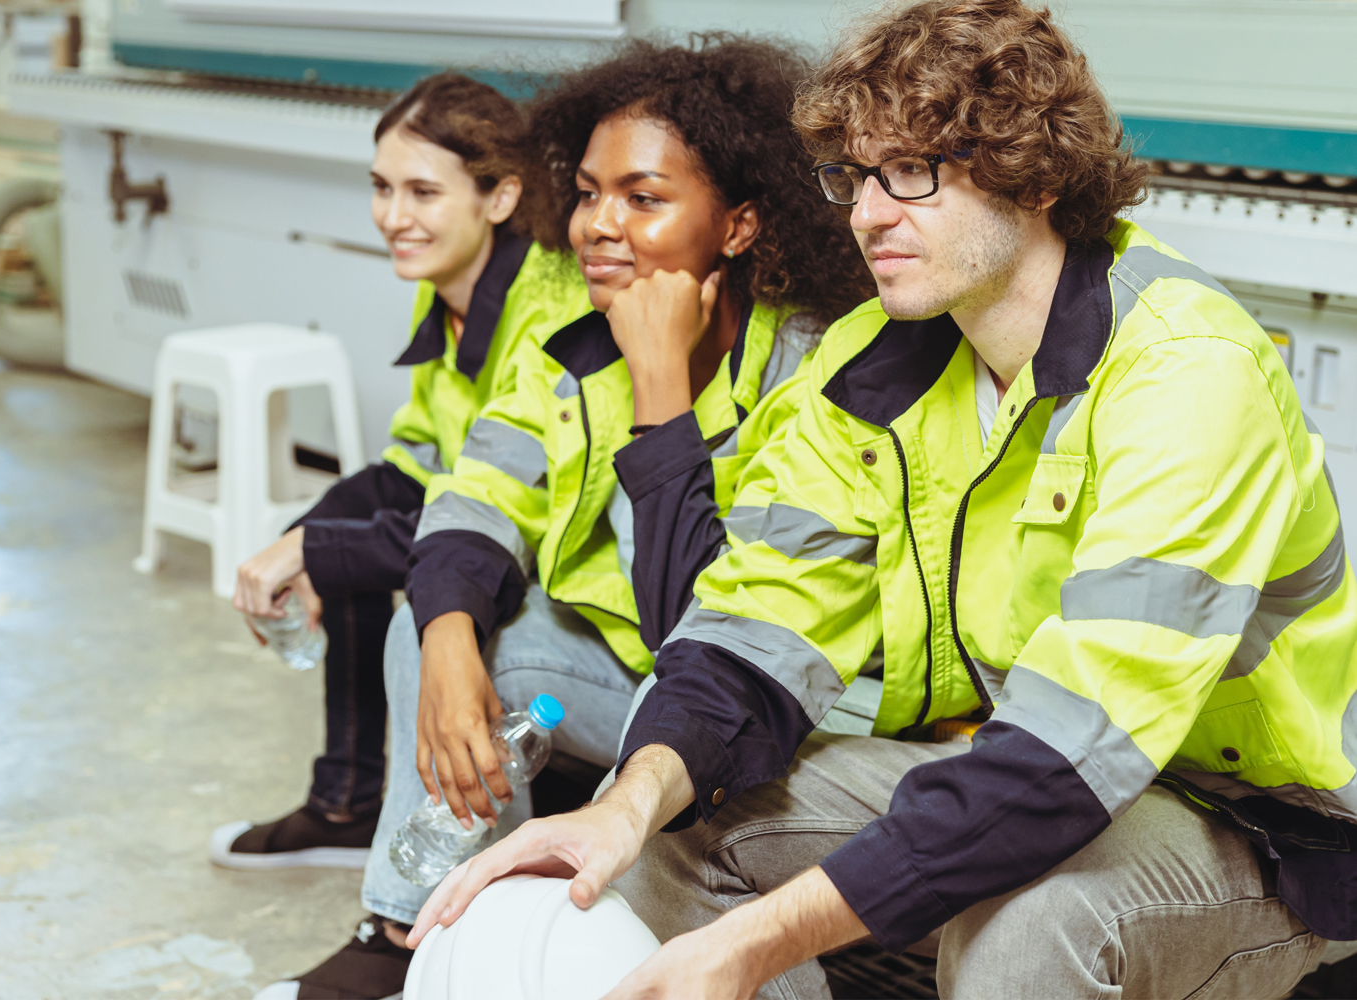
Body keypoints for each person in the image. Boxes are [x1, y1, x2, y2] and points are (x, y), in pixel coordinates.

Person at [411, 3, 1357, 998]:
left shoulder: (1186, 371)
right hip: (1022, 761)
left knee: (1029, 921)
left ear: (1037, 177)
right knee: (667, 822)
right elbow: (754, 622)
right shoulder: (874, 360)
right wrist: (627, 804)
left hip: (1254, 826)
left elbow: (1070, 753)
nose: (866, 214)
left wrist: (757, 940)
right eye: (855, 176)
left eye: (910, 172)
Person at [261, 35, 870, 999]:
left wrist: (662, 390)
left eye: (643, 198)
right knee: (432, 625)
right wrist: (447, 642)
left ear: (740, 225)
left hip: (768, 708)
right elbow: (474, 492)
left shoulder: (812, 367)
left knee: (653, 717)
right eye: (588, 194)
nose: (597, 225)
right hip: (634, 670)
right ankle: (420, 933)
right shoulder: (577, 349)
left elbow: (706, 632)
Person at [209, 73, 589, 873]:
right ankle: (344, 805)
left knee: (350, 555)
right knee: (334, 529)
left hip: (541, 548)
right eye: (381, 188)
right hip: (474, 512)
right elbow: (417, 461)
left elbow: (514, 505)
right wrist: (303, 535)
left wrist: (316, 547)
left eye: (422, 192)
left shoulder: (554, 306)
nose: (392, 217)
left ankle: (418, 869)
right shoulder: (449, 284)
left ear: (500, 196)